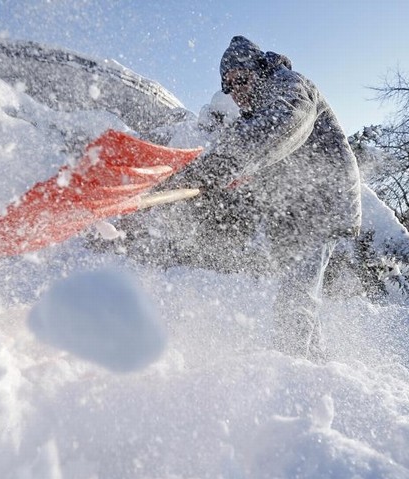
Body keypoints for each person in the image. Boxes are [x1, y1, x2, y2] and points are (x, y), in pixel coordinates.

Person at [117, 36, 362, 360]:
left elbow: (280, 128)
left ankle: (295, 374)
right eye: (228, 86)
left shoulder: (290, 87)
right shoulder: (255, 114)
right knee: (299, 295)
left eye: (241, 79)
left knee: (295, 299)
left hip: (322, 205)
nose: (236, 91)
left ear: (258, 70)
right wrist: (181, 183)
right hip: (297, 209)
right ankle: (315, 370)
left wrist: (221, 169)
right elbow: (235, 154)